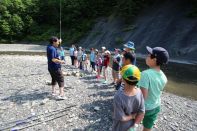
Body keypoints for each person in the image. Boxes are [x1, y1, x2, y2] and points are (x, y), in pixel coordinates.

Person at [137, 46, 169, 131]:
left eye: (149, 54)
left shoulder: (145, 74)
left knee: (132, 124)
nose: (146, 56)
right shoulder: (164, 76)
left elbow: (143, 97)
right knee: (148, 126)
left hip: (145, 107)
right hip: (156, 106)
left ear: (154, 59)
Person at [112, 64, 145, 131]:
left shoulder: (118, 96)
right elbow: (142, 112)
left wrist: (132, 116)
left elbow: (122, 118)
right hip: (132, 127)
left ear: (123, 80)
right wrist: (134, 126)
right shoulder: (139, 92)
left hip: (120, 127)